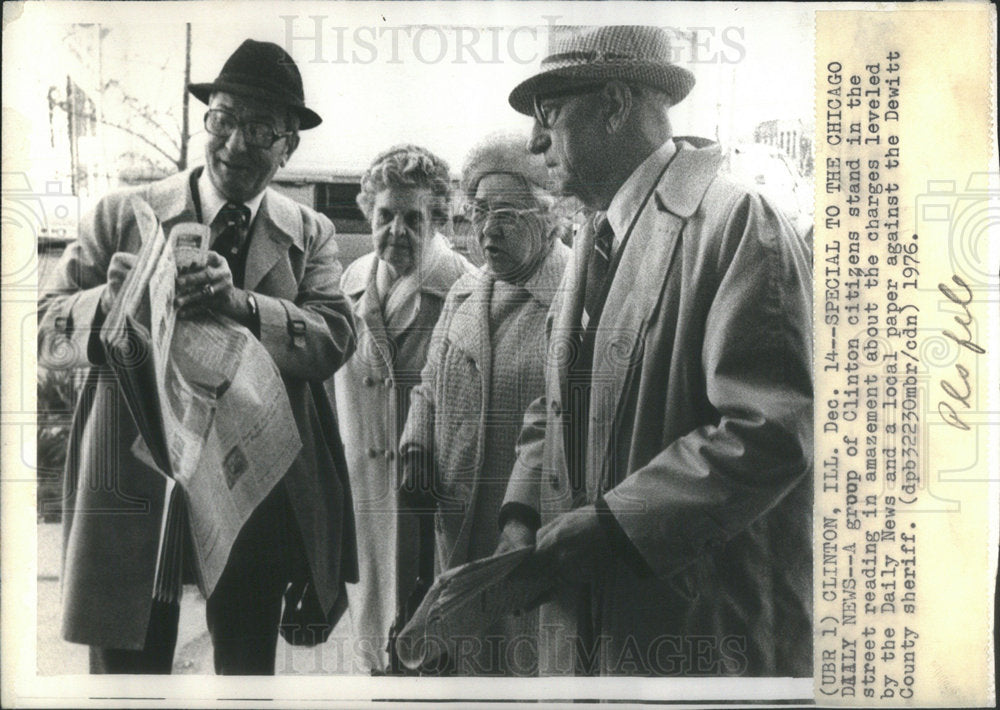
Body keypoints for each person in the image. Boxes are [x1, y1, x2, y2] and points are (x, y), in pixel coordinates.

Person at [497, 25, 813, 677]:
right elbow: (554, 403)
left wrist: (614, 527)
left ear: (614, 104)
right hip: (595, 629)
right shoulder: (592, 235)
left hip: (695, 636)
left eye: (548, 115)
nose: (534, 142)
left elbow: (771, 433)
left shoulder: (739, 226)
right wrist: (521, 516)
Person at [37, 39, 358, 675]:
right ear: (205, 121)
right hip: (136, 479)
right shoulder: (122, 216)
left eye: (262, 129)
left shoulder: (309, 234)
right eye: (225, 119)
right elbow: (43, 330)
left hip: (252, 488)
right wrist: (111, 300)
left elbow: (334, 339)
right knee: (126, 670)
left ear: (289, 145)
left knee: (246, 666)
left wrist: (240, 303)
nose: (237, 144)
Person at [398, 134, 571, 675]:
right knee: (465, 665)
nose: (487, 228)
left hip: (524, 535)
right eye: (477, 211)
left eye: (506, 213)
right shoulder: (465, 292)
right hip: (456, 525)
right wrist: (416, 440)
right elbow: (429, 381)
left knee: (522, 665)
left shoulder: (573, 295)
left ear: (550, 217)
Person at [333, 145, 473, 673]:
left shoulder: (465, 290)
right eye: (384, 215)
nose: (396, 230)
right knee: (374, 651)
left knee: (429, 654)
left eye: (413, 218)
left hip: (430, 500)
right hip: (364, 500)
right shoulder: (347, 285)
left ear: (438, 219)